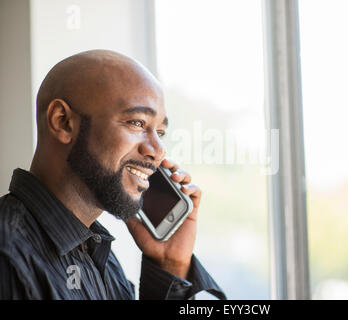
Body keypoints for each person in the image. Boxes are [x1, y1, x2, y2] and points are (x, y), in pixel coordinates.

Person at [0, 50, 226, 300]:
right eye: (138, 123)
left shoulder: (97, 252)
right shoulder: (8, 255)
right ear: (63, 121)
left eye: (160, 132)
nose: (159, 151)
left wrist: (169, 265)